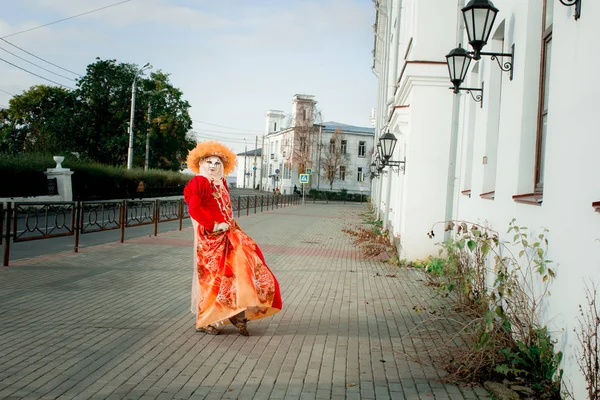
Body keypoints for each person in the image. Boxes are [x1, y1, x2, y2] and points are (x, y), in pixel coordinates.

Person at [184, 141, 282, 336]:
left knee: (246, 268)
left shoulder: (221, 182)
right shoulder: (200, 181)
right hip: (211, 239)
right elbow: (194, 209)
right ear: (200, 163)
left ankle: (237, 311)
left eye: (217, 162)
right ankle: (206, 321)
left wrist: (228, 224)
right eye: (208, 161)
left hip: (230, 234)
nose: (213, 165)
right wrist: (213, 225)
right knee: (214, 279)